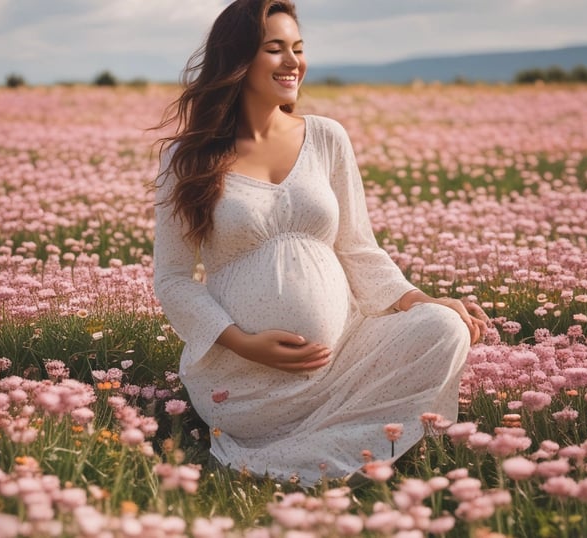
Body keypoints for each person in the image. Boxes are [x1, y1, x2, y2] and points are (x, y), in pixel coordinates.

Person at [152, 0, 487, 486]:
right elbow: (174, 279)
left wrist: (420, 299)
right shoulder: (189, 158)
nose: (293, 62)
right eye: (275, 49)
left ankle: (316, 456)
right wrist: (244, 344)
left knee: (444, 327)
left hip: (342, 357)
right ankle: (323, 453)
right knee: (261, 407)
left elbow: (357, 246)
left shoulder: (327, 137)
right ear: (238, 59)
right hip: (244, 379)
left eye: (298, 48)